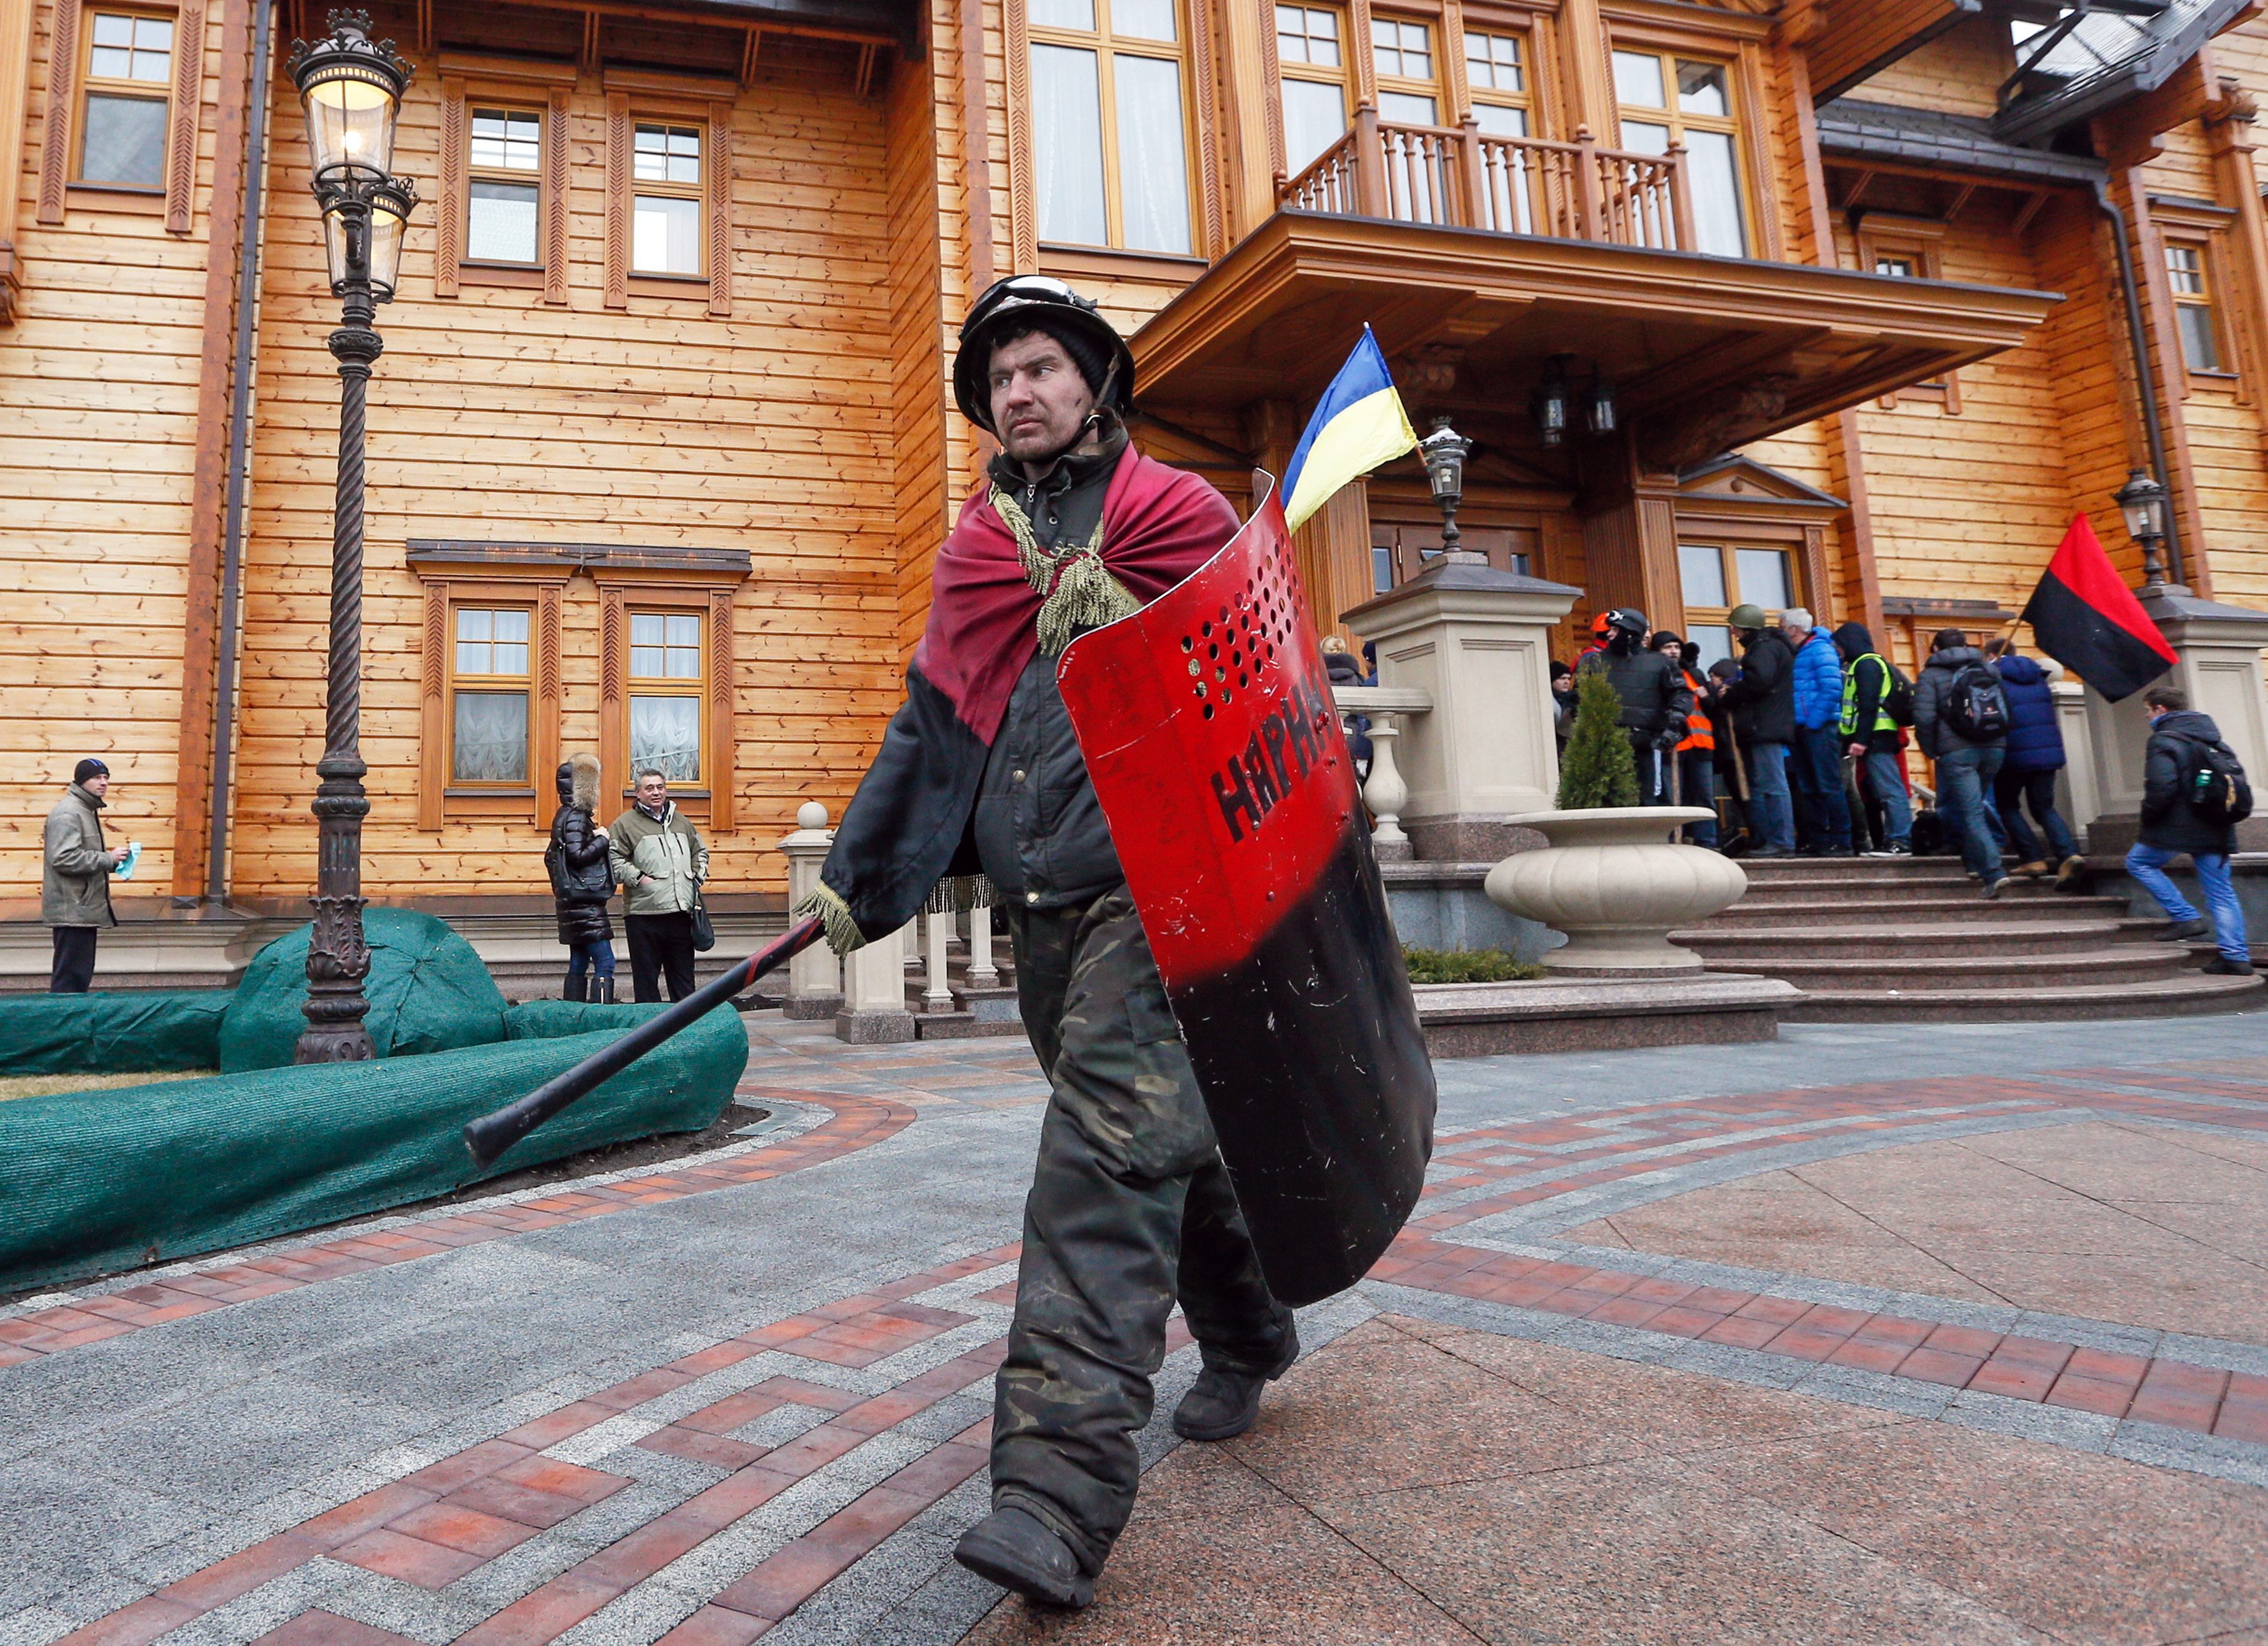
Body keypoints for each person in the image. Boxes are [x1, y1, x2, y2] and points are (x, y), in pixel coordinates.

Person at [797, 276, 1296, 1610]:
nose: (1020, 391)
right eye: (1000, 377)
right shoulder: (978, 552)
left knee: (1102, 1153)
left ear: (1094, 383)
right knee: (1151, 1146)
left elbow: (1267, 695)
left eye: (1041, 369)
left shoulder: (1176, 520)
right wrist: (855, 884)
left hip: (1166, 893)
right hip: (1049, 908)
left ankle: (1055, 1496)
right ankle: (1248, 1327)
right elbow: (933, 727)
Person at [2128, 684, 2253, 975]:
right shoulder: (2214, 739)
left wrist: (2148, 818)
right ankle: (2236, 957)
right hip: (2216, 823)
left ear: (2161, 709)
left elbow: (2162, 786)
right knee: (2222, 893)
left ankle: (2185, 916)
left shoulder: (2163, 740)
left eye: (2148, 711)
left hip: (2178, 824)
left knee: (2139, 861)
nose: (2147, 717)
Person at [1913, 627, 2009, 898]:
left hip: (1957, 753)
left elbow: (1923, 718)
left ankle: (1994, 873)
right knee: (1972, 806)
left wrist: (1932, 750)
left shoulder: (1931, 675)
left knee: (1971, 813)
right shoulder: (1989, 670)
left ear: (1935, 649)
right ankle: (1974, 863)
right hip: (1994, 747)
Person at [1985, 637, 2081, 884]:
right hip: (2047, 752)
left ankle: (2033, 858)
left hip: (2012, 753)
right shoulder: (2038, 676)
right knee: (2044, 807)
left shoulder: (1993, 676)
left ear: (1991, 656)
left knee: (2007, 805)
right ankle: (2069, 855)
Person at [608, 768, 708, 1001]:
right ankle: (650, 1034)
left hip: (681, 914)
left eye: (660, 787)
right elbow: (612, 860)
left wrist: (696, 877)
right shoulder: (625, 825)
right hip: (643, 916)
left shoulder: (681, 822)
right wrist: (639, 878)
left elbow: (700, 852)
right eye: (649, 788)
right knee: (646, 983)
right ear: (638, 793)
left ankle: (686, 1031)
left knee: (684, 982)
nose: (656, 793)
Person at [1576, 608, 1690, 805]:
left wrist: (1674, 725)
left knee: (1646, 800)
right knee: (1607, 803)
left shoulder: (1660, 663)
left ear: (1630, 632)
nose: (1609, 634)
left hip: (1644, 745)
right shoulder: (1595, 663)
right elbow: (1580, 700)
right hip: (1606, 746)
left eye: (1614, 629)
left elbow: (1681, 694)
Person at [1719, 603, 1796, 856]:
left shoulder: (1763, 649)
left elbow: (1758, 682)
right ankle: (1771, 840)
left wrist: (1731, 694)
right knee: (1768, 785)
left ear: (1745, 628)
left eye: (1735, 627)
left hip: (1764, 725)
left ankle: (1780, 841)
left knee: (1772, 785)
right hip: (1765, 724)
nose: (1733, 632)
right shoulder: (1770, 646)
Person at [43, 758, 125, 993]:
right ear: (81, 781)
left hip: (80, 909)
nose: (103, 783)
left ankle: (67, 1025)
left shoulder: (84, 810)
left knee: (76, 978)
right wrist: (107, 859)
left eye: (106, 778)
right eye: (97, 778)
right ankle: (63, 1027)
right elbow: (62, 858)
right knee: (69, 981)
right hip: (72, 910)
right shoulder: (69, 813)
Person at [1834, 622, 1912, 856]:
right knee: (1885, 791)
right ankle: (1894, 840)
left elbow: (1867, 705)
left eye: (1839, 646)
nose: (1837, 651)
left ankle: (1901, 841)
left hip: (1877, 737)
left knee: (1890, 791)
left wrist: (1861, 740)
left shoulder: (1866, 664)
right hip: (1876, 737)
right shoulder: (1866, 663)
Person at [547, 753, 617, 1002]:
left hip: (571, 902)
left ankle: (572, 1017)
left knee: (578, 962)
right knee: (606, 963)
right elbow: (578, 855)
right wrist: (602, 839)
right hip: (585, 904)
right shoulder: (576, 816)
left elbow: (551, 858)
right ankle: (600, 1021)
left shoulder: (563, 815)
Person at [1784, 608, 1854, 856]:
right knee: (1809, 786)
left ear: (1794, 629)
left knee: (1828, 784)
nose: (1782, 632)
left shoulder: (1821, 649)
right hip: (1802, 727)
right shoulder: (1800, 652)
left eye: (1783, 628)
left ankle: (1842, 841)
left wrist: (1812, 722)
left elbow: (1832, 689)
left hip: (1819, 727)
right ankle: (1819, 841)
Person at [1657, 631, 1717, 847]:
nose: (1673, 651)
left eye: (1676, 647)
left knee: (1704, 798)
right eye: (1667, 647)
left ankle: (1707, 842)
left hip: (1701, 744)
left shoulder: (1695, 674)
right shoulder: (1655, 674)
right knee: (1673, 799)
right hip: (1672, 745)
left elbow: (1711, 709)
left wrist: (1708, 697)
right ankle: (1673, 841)